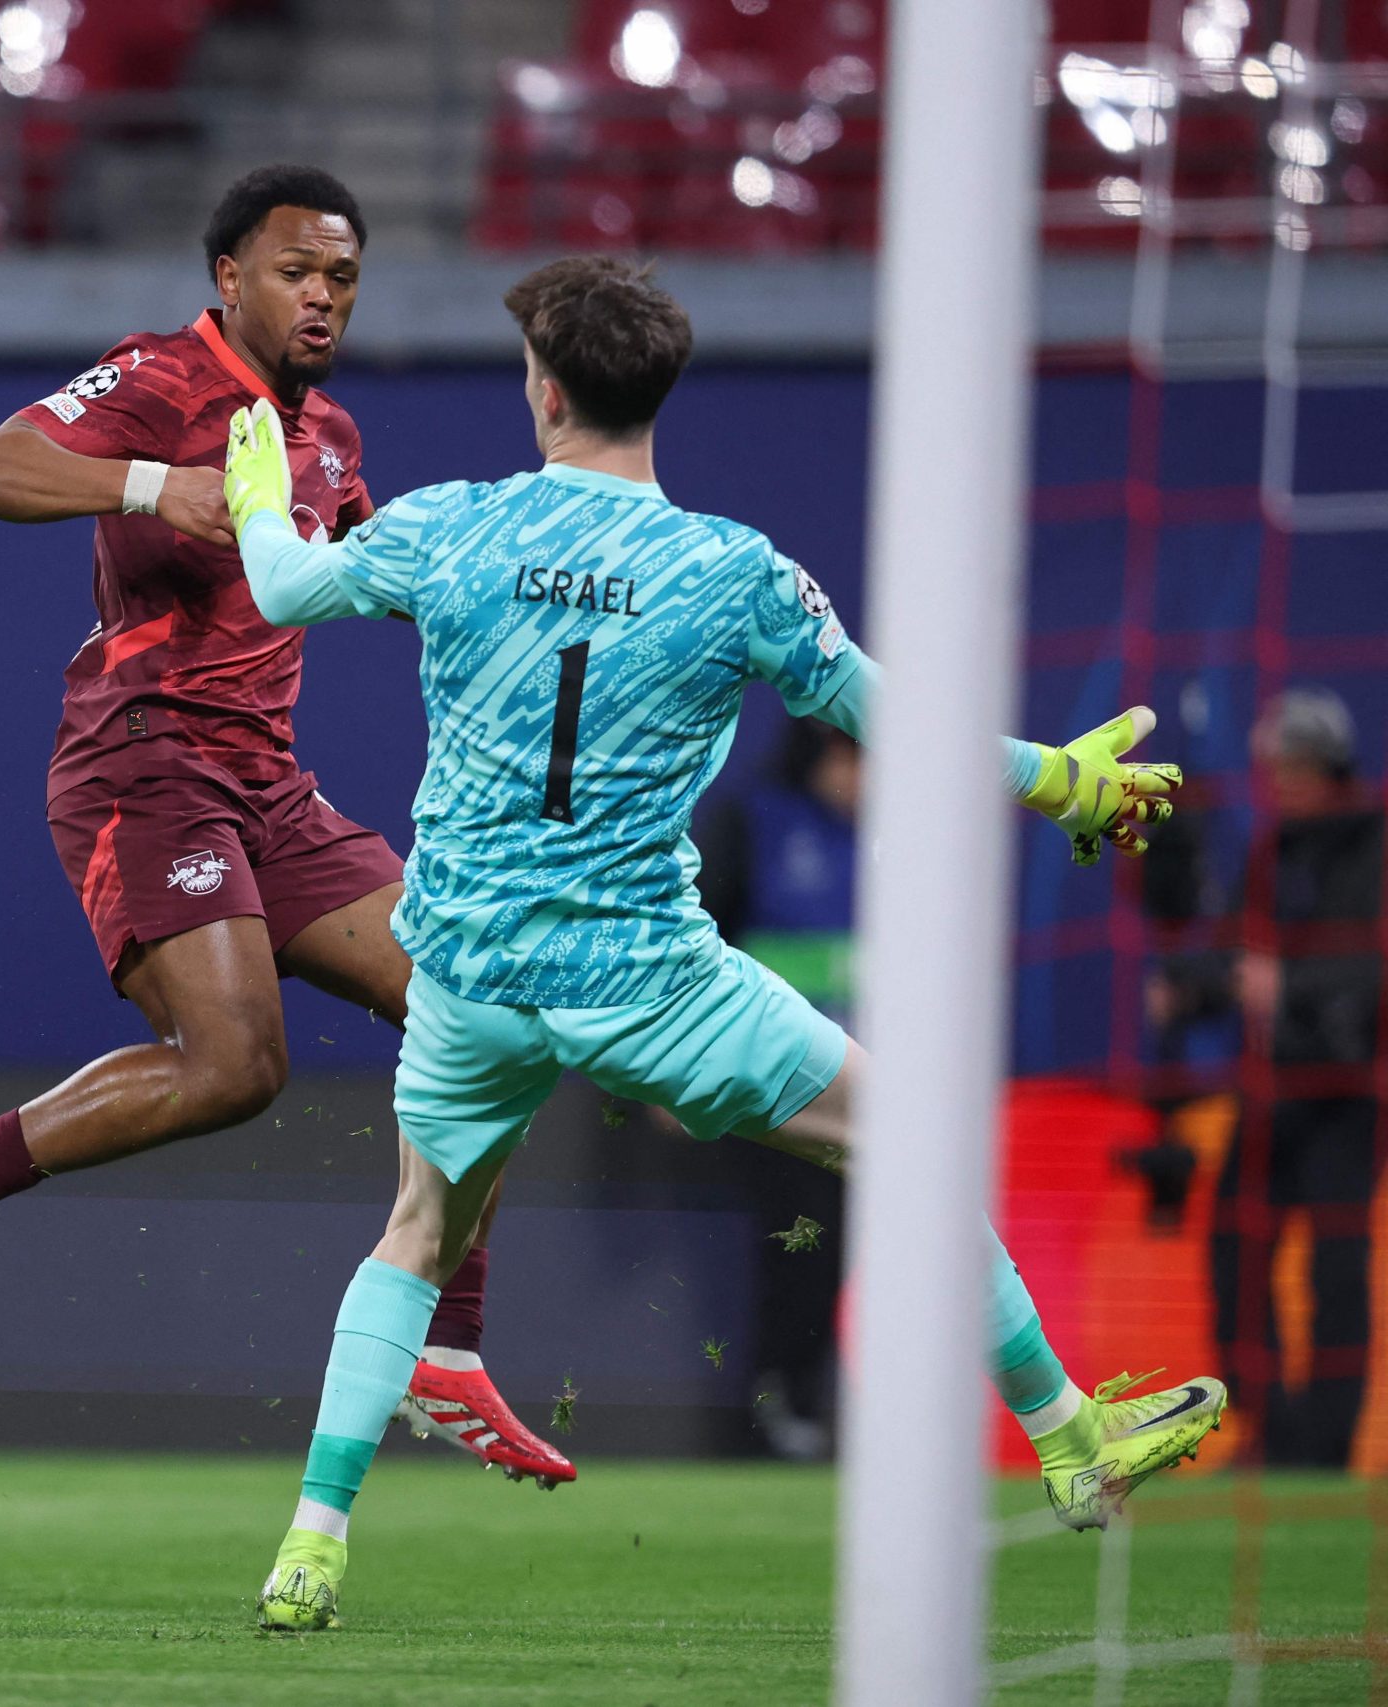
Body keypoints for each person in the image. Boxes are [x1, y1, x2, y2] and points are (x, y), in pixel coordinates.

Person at [218, 255, 1225, 1632]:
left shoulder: (451, 525)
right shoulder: (734, 571)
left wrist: (259, 485)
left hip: (467, 969)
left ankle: (310, 1544)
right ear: (656, 395)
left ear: (547, 388)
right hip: (648, 982)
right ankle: (1065, 1435)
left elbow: (276, 587)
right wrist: (1059, 778)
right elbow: (902, 727)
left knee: (413, 1232)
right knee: (910, 1148)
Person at [0, 165, 574, 1487]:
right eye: (297, 272)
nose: (322, 298)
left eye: (342, 278)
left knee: (485, 1006)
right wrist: (142, 488)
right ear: (230, 277)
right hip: (144, 761)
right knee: (237, 1063)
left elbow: (364, 566)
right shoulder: (162, 379)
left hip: (271, 787)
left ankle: (445, 1350)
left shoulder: (329, 435)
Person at [1152, 688, 1382, 1466]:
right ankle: (1271, 1431)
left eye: (1292, 767)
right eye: (1272, 768)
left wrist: (1284, 987)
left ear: (1327, 767)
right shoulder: (1273, 851)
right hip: (1274, 1087)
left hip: (1351, 1092)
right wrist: (1190, 985)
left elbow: (1366, 968)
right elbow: (1235, 953)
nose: (1278, 781)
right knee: (1234, 1248)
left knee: (1336, 1266)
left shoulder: (1376, 849)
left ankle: (1325, 1447)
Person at [692, 722, 862, 1459]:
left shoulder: (899, 839)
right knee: (800, 1242)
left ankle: (811, 1399)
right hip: (771, 1082)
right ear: (827, 755)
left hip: (868, 1090)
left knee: (852, 1250)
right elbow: (697, 940)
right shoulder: (753, 821)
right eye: (859, 760)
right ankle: (774, 1405)